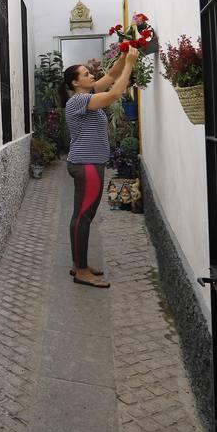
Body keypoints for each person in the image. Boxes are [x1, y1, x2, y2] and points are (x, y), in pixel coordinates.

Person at [61, 45, 140, 288]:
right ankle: (81, 271)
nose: (91, 76)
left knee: (83, 216)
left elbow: (112, 76)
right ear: (75, 83)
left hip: (89, 164)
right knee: (83, 218)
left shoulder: (89, 93)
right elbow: (115, 93)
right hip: (86, 166)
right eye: (86, 74)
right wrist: (130, 65)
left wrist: (126, 54)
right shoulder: (78, 101)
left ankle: (79, 265)